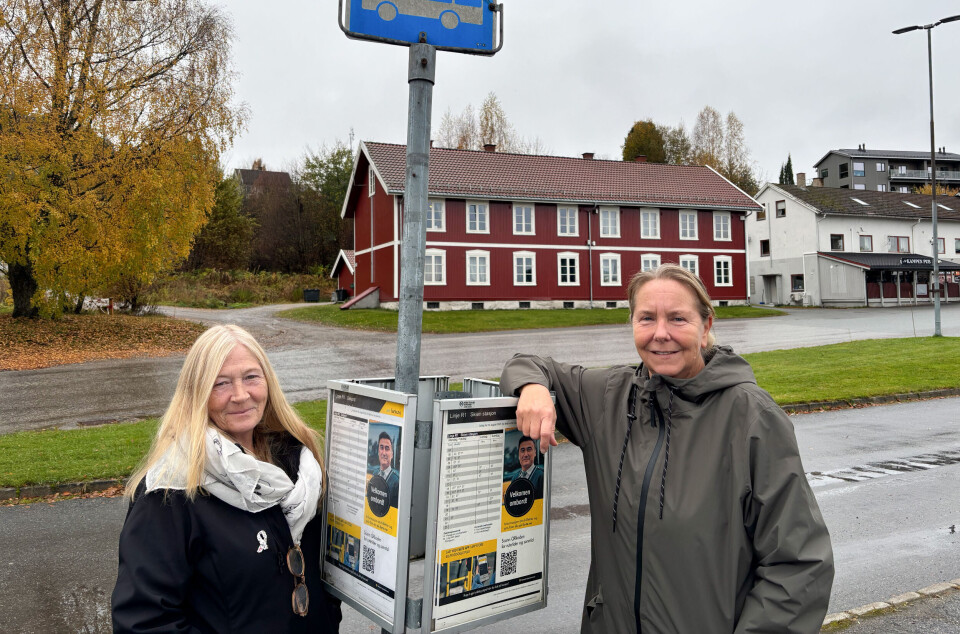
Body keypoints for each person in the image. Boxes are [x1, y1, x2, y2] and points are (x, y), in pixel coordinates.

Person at [500, 264, 834, 634]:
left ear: (706, 326)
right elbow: (526, 362)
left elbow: (799, 563)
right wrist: (532, 388)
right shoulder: (608, 397)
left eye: (678, 319)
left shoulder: (751, 417)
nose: (660, 334)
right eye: (646, 318)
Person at [111, 324, 341, 633]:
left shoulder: (299, 469)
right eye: (221, 383)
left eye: (250, 377)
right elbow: (143, 622)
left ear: (268, 382)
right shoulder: (171, 493)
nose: (240, 395)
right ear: (197, 394)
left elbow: (321, 574)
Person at [376, 431, 400, 508]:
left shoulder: (397, 481)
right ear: (378, 451)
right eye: (381, 447)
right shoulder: (375, 473)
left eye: (387, 448)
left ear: (392, 454)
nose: (384, 453)